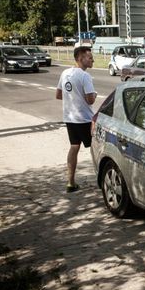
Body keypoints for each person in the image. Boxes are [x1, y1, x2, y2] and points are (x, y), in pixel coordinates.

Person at [56, 46, 97, 192]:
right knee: (96, 147)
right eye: (89, 57)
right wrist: (94, 96)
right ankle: (101, 178)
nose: (92, 59)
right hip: (84, 119)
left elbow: (58, 95)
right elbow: (91, 100)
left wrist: (73, 97)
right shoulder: (85, 76)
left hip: (70, 118)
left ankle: (70, 182)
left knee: (74, 147)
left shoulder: (65, 72)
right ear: (80, 59)